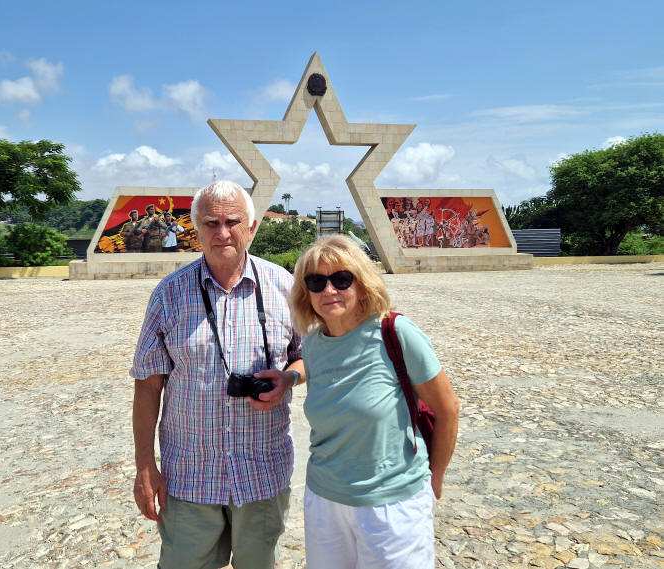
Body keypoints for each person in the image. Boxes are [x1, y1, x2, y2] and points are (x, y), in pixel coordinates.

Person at [131, 180, 304, 569]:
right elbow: (148, 386)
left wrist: (288, 379)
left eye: (232, 222)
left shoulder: (283, 286)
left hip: (263, 472)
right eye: (211, 223)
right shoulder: (169, 294)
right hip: (190, 476)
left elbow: (305, 357)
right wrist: (145, 465)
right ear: (196, 229)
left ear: (252, 227)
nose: (222, 232)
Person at [289, 234, 460, 569]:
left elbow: (448, 408)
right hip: (324, 501)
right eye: (316, 282)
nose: (329, 290)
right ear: (305, 292)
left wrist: (435, 476)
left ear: (362, 283)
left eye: (342, 279)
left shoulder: (395, 333)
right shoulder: (312, 345)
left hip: (391, 504)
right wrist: (287, 378)